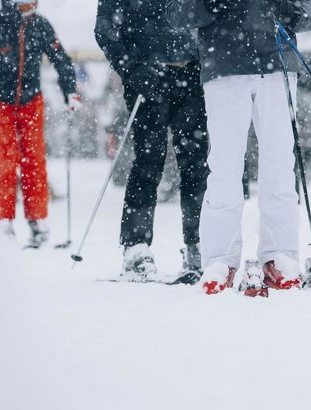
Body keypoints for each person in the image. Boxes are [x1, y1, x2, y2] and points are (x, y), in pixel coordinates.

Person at [166, 0, 311, 295]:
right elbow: (175, 13)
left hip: (278, 65)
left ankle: (280, 256)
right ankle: (219, 261)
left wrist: (290, 8)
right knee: (224, 168)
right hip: (223, 68)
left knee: (279, 167)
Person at [95, 0, 209, 283]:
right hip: (147, 77)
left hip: (192, 74)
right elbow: (104, 29)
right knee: (149, 160)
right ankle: (136, 247)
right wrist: (131, 69)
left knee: (195, 161)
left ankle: (198, 242)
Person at [0, 0, 81, 246]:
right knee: (6, 159)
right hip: (2, 102)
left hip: (31, 101)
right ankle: (3, 221)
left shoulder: (40, 25)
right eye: (24, 3)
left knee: (33, 159)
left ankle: (37, 219)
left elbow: (60, 58)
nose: (30, 7)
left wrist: (70, 89)